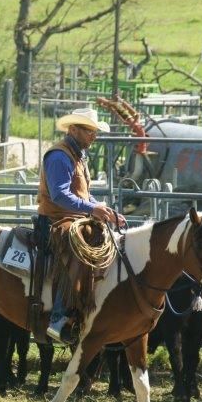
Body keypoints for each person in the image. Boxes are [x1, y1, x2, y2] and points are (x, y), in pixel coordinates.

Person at [37, 106, 126, 344]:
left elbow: (84, 196)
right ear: (74, 129)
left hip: (73, 218)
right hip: (56, 220)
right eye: (89, 131)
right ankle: (59, 318)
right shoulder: (59, 156)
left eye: (95, 132)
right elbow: (59, 195)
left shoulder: (77, 156)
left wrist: (107, 212)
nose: (94, 136)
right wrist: (92, 209)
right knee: (79, 252)